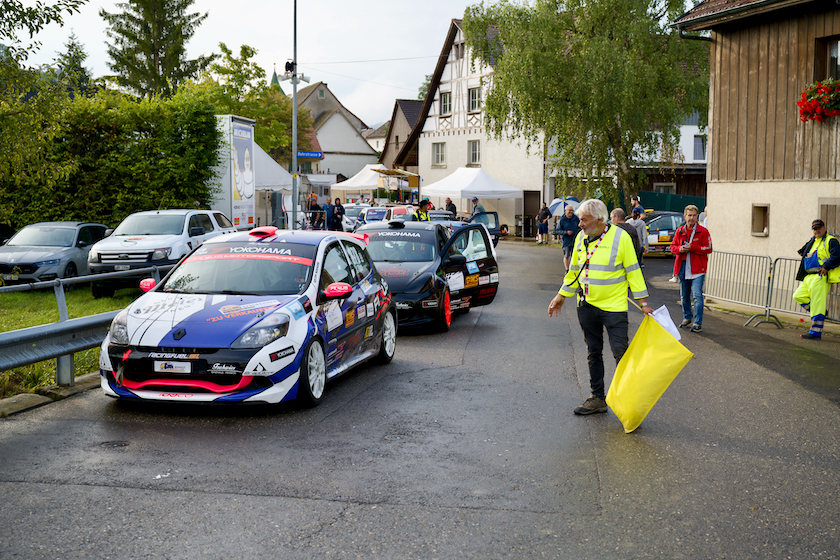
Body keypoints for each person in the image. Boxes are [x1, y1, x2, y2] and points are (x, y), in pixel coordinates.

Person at [548, 199, 653, 415]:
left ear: (600, 220)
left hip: (614, 308)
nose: (580, 224)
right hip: (587, 306)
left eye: (584, 220)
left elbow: (633, 271)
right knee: (593, 351)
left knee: (620, 353)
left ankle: (629, 402)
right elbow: (574, 271)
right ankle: (597, 398)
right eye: (579, 220)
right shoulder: (581, 238)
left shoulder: (620, 237)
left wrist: (643, 303)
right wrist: (561, 295)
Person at [794, 219, 840, 340]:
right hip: (809, 276)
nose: (817, 230)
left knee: (817, 304)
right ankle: (820, 313)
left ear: (824, 227)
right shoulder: (813, 240)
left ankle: (815, 333)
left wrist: (826, 266)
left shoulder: (831, 240)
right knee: (798, 296)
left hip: (820, 276)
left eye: (819, 228)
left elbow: (837, 255)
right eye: (814, 229)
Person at [670, 204, 713, 333]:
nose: (691, 218)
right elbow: (672, 247)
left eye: (694, 215)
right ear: (685, 216)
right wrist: (680, 249)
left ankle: (697, 322)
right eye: (689, 215)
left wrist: (693, 247)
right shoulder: (680, 231)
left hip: (698, 269)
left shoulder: (703, 231)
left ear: (697, 217)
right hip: (683, 267)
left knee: (697, 296)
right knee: (684, 295)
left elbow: (709, 248)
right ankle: (687, 317)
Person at [557, 204, 580, 271]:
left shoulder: (575, 218)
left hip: (575, 240)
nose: (570, 212)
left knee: (575, 256)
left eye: (572, 210)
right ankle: (567, 270)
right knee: (566, 255)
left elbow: (580, 227)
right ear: (565, 211)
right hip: (566, 241)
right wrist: (566, 232)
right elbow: (557, 230)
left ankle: (574, 269)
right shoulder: (562, 219)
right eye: (569, 210)